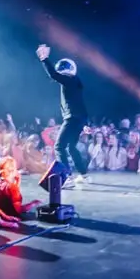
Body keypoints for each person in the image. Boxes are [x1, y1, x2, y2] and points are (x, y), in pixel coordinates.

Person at [35, 44, 89, 188]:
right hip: (79, 119)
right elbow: (81, 104)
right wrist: (85, 123)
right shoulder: (75, 82)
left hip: (72, 119)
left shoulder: (69, 80)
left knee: (59, 146)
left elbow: (53, 75)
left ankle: (67, 178)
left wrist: (44, 59)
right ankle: (84, 174)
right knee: (71, 146)